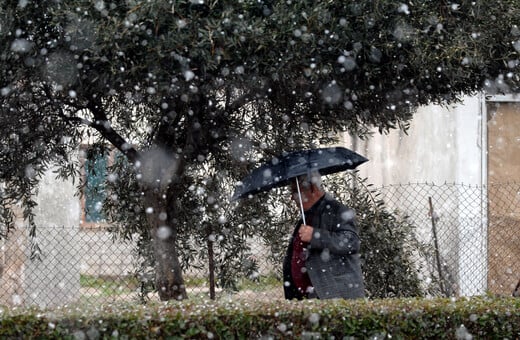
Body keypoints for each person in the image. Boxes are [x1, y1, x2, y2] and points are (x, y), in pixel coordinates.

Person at [282, 171, 365, 300]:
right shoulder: (306, 216)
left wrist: (315, 235)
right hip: (308, 300)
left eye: (295, 191)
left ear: (313, 188)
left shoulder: (337, 211)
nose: (292, 198)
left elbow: (351, 242)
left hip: (336, 299)